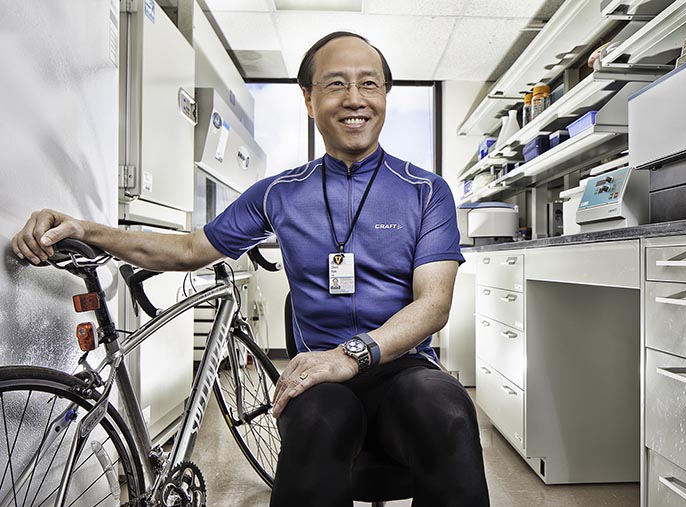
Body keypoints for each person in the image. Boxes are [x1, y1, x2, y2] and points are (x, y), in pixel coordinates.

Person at [12, 31, 490, 506]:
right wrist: (85, 228)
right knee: (321, 422)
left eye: (369, 84)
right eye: (336, 84)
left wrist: (351, 355)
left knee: (447, 411)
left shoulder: (426, 191)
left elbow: (433, 304)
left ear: (385, 94)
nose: (354, 99)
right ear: (308, 98)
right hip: (315, 376)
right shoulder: (279, 193)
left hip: (402, 368)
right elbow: (187, 249)